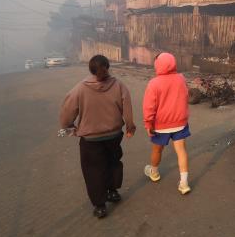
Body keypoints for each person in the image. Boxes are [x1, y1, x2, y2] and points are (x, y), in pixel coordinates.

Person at [59, 54, 136, 218]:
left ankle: (100, 206)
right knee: (113, 162)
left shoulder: (80, 88)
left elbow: (67, 112)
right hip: (114, 135)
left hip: (91, 139)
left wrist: (69, 127)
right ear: (108, 67)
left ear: (91, 70)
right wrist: (130, 126)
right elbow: (127, 109)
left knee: (93, 170)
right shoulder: (119, 85)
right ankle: (112, 191)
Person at [142, 52, 191, 194]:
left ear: (157, 65)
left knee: (157, 150)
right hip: (180, 122)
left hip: (160, 125)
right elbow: (185, 96)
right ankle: (184, 183)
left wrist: (148, 124)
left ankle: (154, 172)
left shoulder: (154, 83)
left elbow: (149, 107)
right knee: (181, 151)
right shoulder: (181, 79)